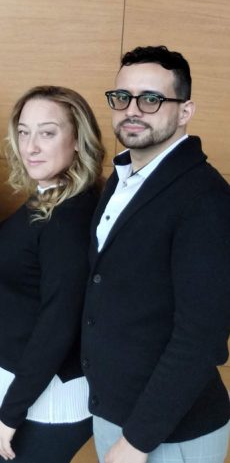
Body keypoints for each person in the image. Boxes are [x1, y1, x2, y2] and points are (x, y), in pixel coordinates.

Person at [83, 46, 230, 463]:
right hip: (116, 413)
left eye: (151, 99)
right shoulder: (123, 176)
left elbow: (201, 339)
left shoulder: (205, 199)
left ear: (185, 111)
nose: (133, 110)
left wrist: (137, 441)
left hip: (167, 431)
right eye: (122, 97)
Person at [0, 86, 104, 462]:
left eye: (47, 133)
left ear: (78, 139)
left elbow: (58, 323)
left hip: (46, 396)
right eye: (24, 132)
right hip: (27, 385)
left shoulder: (69, 218)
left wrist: (12, 411)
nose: (30, 146)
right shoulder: (52, 196)